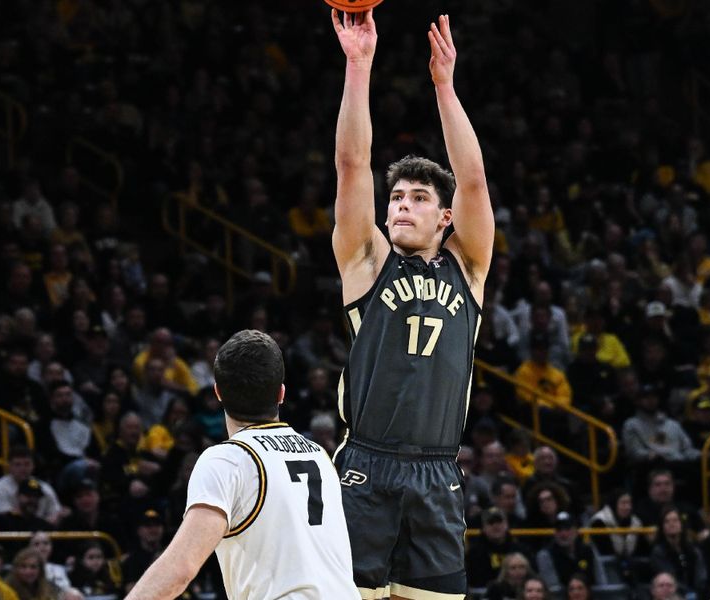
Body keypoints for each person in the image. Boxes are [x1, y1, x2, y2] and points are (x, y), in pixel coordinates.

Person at [330, 8, 495, 598]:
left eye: (418, 197)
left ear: (444, 217)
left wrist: (445, 87)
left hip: (437, 471)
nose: (400, 204)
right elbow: (352, 166)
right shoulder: (367, 262)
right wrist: (359, 65)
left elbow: (473, 182)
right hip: (364, 468)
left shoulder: (467, 265)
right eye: (396, 196)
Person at [124, 330, 357, 599]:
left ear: (218, 392)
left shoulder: (228, 459)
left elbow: (181, 568)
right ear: (281, 393)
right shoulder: (318, 454)